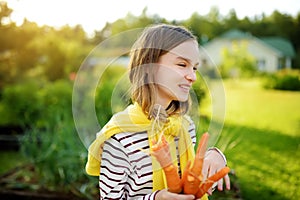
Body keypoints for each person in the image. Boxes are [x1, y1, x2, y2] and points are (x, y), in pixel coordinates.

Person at [86, 24, 230, 200]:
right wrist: (156, 198)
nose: (192, 77)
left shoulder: (184, 127)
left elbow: (191, 185)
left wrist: (215, 157)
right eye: (182, 64)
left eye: (194, 68)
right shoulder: (119, 137)